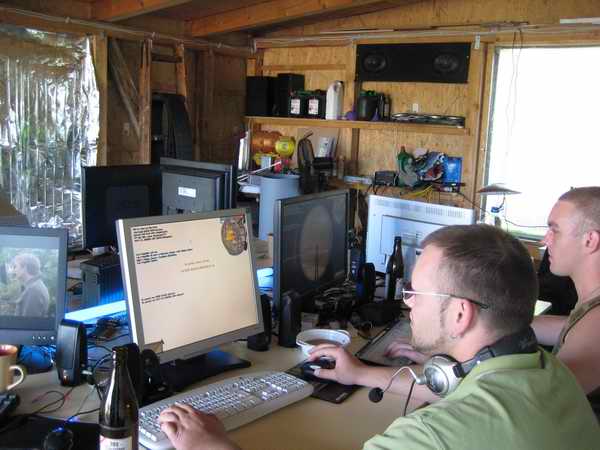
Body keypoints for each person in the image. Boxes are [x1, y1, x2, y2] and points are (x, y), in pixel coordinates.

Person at [158, 225, 600, 450]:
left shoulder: (427, 437)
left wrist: (212, 445)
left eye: (416, 293)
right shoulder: (553, 376)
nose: (408, 304)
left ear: (460, 313)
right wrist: (361, 374)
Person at [529, 186, 600, 417]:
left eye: (555, 230)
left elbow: (539, 401)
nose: (545, 240)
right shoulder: (590, 308)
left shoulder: (596, 323)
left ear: (590, 240)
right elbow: (568, 327)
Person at [12, 253, 50, 317]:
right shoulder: (35, 286)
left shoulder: (33, 290)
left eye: (15, 266)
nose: (14, 270)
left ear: (24, 268)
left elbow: (27, 322)